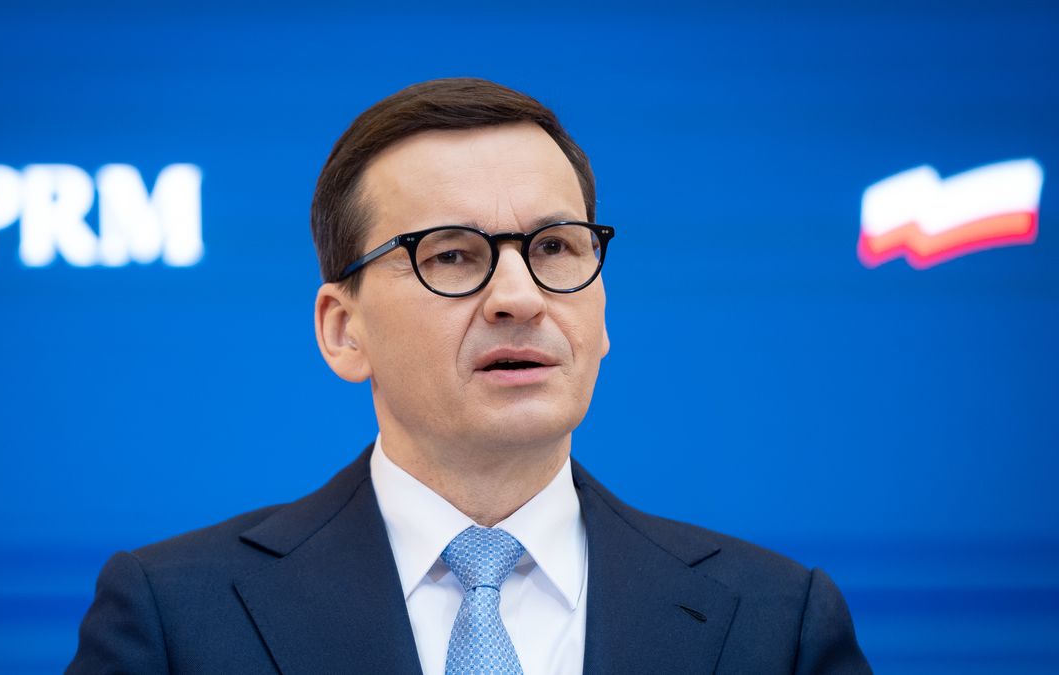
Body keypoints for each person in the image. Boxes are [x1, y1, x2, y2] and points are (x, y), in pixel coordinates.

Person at [67, 77, 871, 674]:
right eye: (453, 254)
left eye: (556, 247)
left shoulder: (778, 621)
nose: (519, 297)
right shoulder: (174, 615)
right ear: (344, 331)